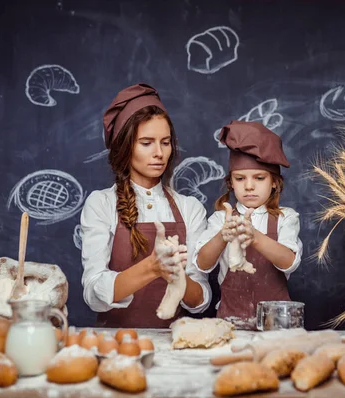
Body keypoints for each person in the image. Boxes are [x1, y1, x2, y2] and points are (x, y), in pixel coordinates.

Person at [80, 83, 211, 328]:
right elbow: (93, 295)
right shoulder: (102, 204)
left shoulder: (190, 208)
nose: (159, 153)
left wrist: (177, 278)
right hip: (117, 344)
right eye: (146, 142)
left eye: (165, 142)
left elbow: (200, 300)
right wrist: (152, 267)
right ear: (125, 146)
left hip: (173, 344)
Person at [193, 120, 302, 329]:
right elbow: (202, 264)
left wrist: (255, 237)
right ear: (231, 183)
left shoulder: (286, 217)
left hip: (276, 325)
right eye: (240, 178)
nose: (249, 186)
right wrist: (222, 237)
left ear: (274, 182)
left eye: (259, 178)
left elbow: (290, 262)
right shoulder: (220, 220)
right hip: (230, 322)